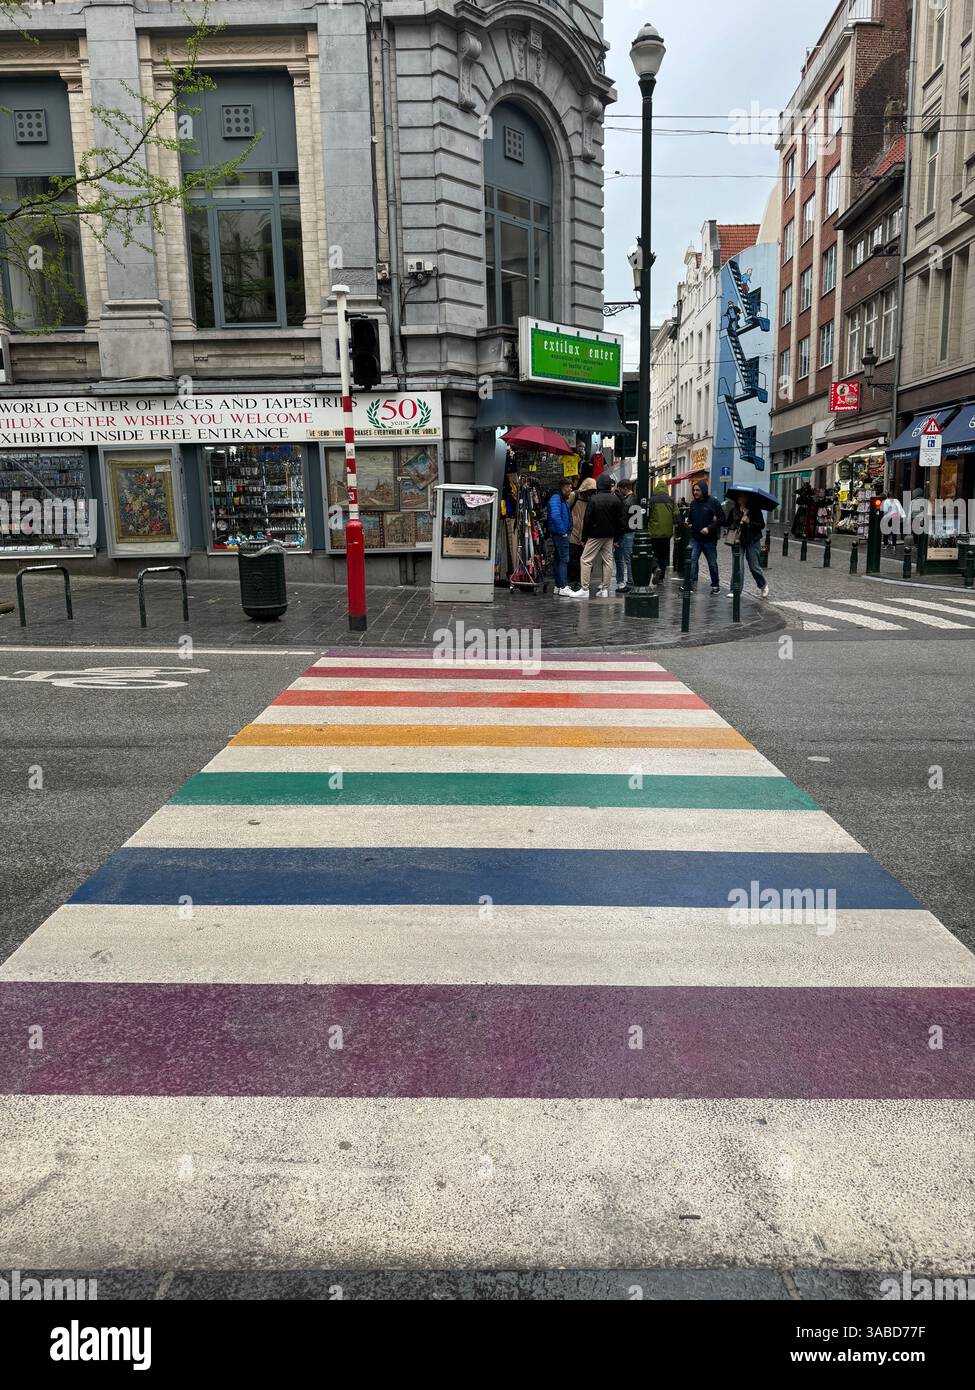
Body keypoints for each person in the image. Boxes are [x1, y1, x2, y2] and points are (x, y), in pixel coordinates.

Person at [581, 473, 625, 597]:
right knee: (608, 561)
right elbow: (621, 522)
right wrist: (617, 537)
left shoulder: (594, 499)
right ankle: (605, 589)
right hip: (610, 535)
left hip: (595, 535)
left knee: (585, 560)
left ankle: (584, 589)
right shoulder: (616, 500)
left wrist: (584, 537)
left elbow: (587, 520)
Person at [681, 480, 724, 594]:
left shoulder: (713, 502)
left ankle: (715, 585)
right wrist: (688, 523)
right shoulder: (693, 504)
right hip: (695, 538)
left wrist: (709, 528)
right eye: (694, 490)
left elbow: (721, 519)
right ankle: (689, 584)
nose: (695, 492)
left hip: (709, 540)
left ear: (703, 490)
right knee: (692, 560)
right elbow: (690, 519)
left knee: (712, 563)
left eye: (698, 490)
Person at [725, 493, 770, 598]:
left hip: (752, 540)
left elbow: (761, 525)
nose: (739, 498)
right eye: (738, 496)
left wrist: (749, 522)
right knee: (738, 566)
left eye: (742, 496)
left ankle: (763, 585)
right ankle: (735, 590)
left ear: (747, 498)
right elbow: (728, 523)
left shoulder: (755, 510)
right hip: (737, 541)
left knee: (754, 567)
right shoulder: (734, 510)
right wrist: (737, 523)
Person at [546, 478, 579, 596]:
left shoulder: (560, 498)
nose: (571, 490)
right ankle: (563, 586)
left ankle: (558, 586)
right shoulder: (557, 498)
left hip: (559, 533)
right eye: (569, 487)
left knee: (559, 559)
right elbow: (555, 516)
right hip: (560, 534)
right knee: (564, 560)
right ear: (563, 487)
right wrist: (563, 532)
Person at [647, 483, 679, 584]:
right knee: (664, 555)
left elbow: (647, 515)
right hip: (667, 533)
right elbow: (677, 516)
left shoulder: (652, 500)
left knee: (652, 553)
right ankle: (661, 578)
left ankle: (655, 568)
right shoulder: (671, 500)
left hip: (654, 532)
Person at [568, 476, 597, 588]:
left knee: (583, 559)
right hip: (573, 532)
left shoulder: (591, 499)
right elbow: (566, 509)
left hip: (585, 534)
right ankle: (574, 580)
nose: (590, 493)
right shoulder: (574, 496)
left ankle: (580, 580)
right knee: (573, 558)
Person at [614, 479, 641, 594]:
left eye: (620, 489)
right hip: (635, 531)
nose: (620, 491)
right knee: (631, 559)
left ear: (625, 488)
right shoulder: (636, 499)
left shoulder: (626, 502)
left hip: (628, 532)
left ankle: (630, 583)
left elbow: (623, 520)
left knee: (628, 560)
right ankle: (632, 581)